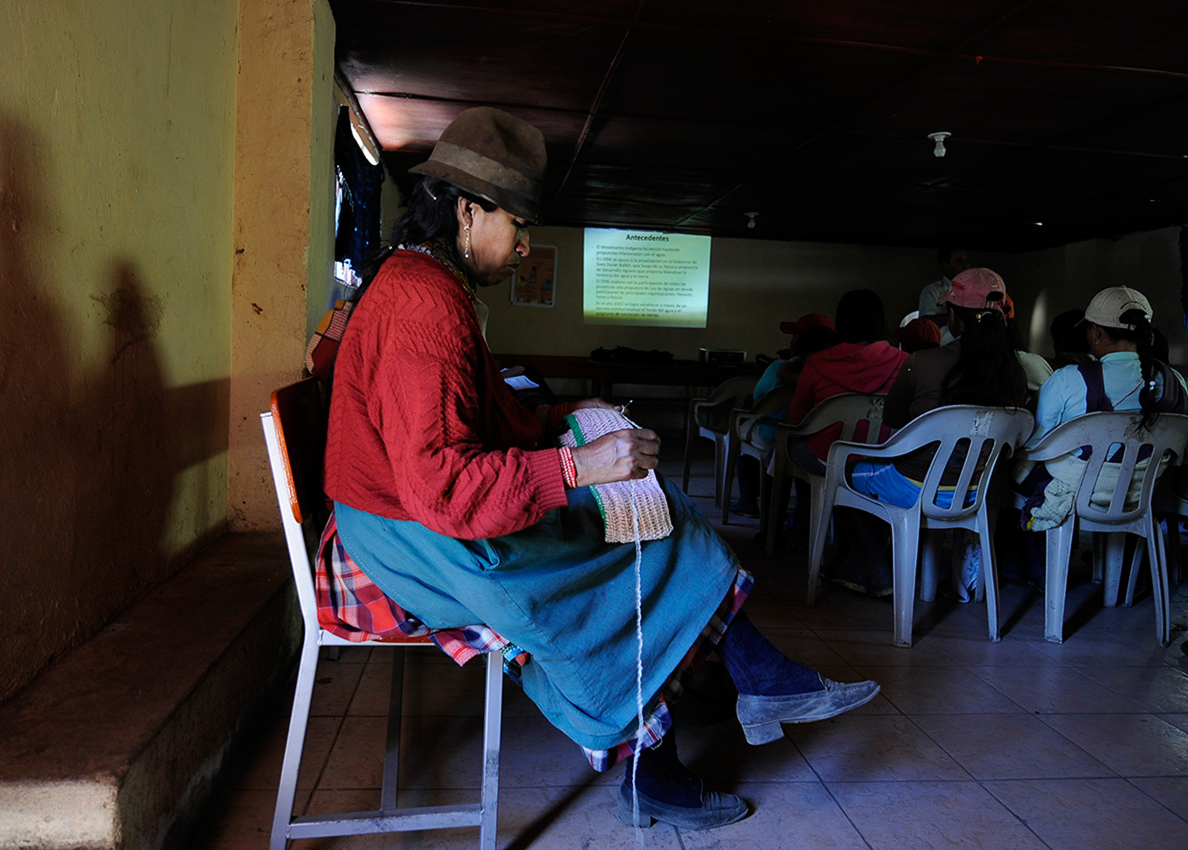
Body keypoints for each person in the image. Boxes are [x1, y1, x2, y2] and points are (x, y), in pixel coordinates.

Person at [321, 107, 878, 831]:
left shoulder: (427, 286)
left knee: (643, 509)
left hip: (402, 513)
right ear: (466, 211)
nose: (524, 248)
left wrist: (566, 421)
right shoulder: (424, 305)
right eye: (518, 227)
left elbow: (483, 423)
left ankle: (733, 684)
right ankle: (703, 721)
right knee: (636, 537)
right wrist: (578, 465)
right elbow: (446, 490)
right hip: (407, 534)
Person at [834, 269, 1028, 598]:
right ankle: (860, 567)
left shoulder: (921, 362)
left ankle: (877, 569)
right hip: (975, 491)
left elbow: (895, 418)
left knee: (844, 473)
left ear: (953, 317)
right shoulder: (1015, 373)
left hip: (914, 487)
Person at [1006, 286, 1188, 579]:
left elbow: (1033, 439)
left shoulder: (1070, 380)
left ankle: (1032, 568)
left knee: (1020, 471)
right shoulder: (1174, 382)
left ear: (1095, 334)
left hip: (1080, 493)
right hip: (1141, 494)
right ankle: (1116, 570)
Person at [786, 289, 908, 476]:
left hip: (826, 460)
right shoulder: (905, 362)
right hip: (884, 459)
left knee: (788, 443)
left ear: (839, 324)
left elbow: (796, 420)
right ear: (882, 323)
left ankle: (807, 504)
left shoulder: (816, 364)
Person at [729, 313, 837, 519]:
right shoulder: (834, 372)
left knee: (742, 432)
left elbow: (758, 397)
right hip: (819, 440)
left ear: (798, 341)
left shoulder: (779, 369)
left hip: (774, 434)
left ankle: (748, 501)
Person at [917, 247, 970, 342]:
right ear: (944, 266)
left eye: (966, 261)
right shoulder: (932, 291)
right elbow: (925, 323)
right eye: (959, 262)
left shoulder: (975, 290)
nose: (966, 266)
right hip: (943, 347)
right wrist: (956, 315)